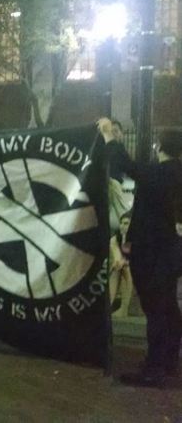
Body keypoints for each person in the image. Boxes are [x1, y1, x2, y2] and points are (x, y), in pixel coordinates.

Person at [99, 118, 182, 387]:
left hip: (156, 254)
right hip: (167, 252)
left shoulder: (165, 173)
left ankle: (157, 367)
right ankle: (167, 360)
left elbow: (128, 166)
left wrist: (110, 138)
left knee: (157, 309)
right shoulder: (172, 173)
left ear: (160, 147)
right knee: (166, 308)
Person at [109, 211, 134, 318]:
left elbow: (139, 258)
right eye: (122, 223)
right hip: (124, 267)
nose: (122, 226)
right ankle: (107, 305)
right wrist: (120, 262)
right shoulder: (115, 239)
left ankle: (124, 308)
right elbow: (117, 257)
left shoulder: (139, 238)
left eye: (126, 223)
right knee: (117, 269)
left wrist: (125, 263)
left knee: (126, 269)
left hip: (139, 268)